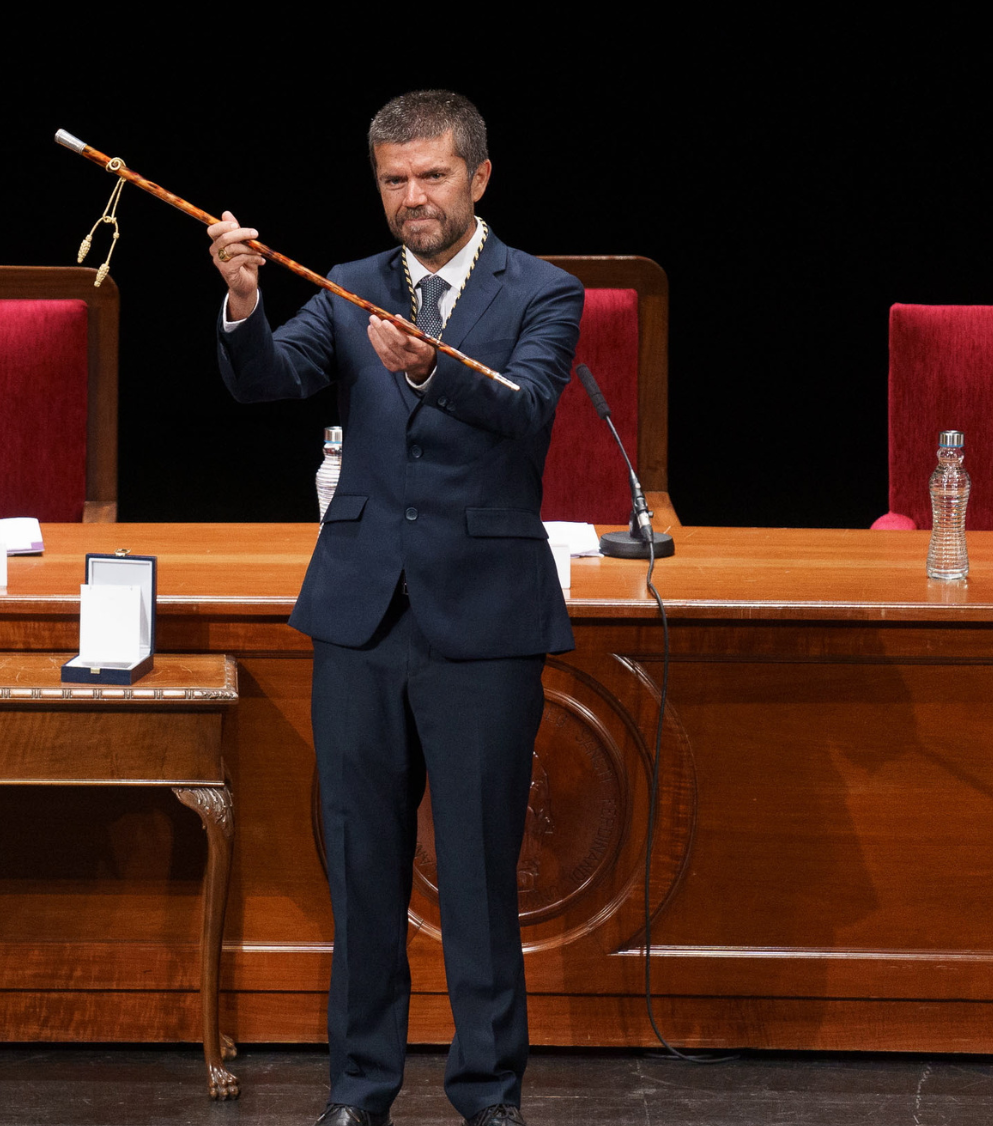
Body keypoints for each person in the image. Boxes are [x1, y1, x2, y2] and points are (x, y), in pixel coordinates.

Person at [208, 90, 582, 1126]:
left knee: (472, 874)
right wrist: (243, 305)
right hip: (362, 615)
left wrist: (431, 373)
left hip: (482, 617)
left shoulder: (543, 291)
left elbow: (526, 410)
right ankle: (358, 1089)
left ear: (478, 179)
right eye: (393, 181)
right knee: (361, 870)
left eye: (431, 178)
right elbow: (270, 381)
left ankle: (486, 1094)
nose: (412, 198)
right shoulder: (346, 284)